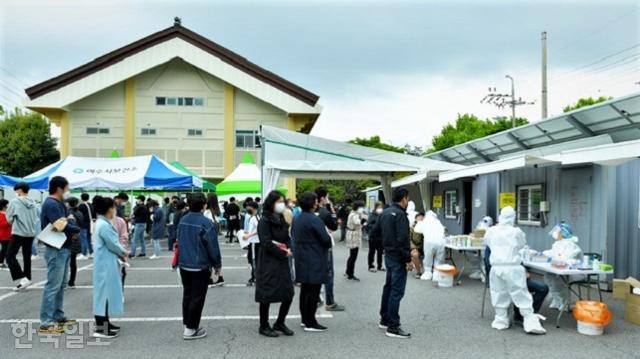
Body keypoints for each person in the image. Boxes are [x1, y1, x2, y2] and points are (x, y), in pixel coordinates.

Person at [485, 206, 546, 334]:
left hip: (496, 267)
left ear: (500, 216)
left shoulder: (491, 231)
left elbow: (489, 244)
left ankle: (501, 320)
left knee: (499, 292)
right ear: (513, 217)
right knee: (520, 293)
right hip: (512, 267)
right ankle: (529, 321)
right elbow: (521, 244)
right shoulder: (516, 232)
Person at [38, 176, 81, 334]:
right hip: (56, 248)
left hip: (63, 247)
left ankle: (57, 316)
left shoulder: (59, 204)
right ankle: (46, 321)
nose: (67, 191)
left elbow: (69, 221)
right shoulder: (52, 204)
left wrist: (69, 222)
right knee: (53, 285)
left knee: (61, 285)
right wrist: (71, 225)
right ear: (59, 188)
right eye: (66, 188)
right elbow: (61, 225)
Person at [178, 193, 221, 340]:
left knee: (188, 295)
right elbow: (212, 246)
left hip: (184, 264)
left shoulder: (183, 220)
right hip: (200, 265)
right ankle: (191, 329)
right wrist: (217, 264)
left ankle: (187, 324)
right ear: (204, 205)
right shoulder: (206, 223)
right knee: (197, 298)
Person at [371, 188, 412, 339]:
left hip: (389, 255)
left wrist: (385, 245)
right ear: (404, 199)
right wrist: (408, 259)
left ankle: (385, 318)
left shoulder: (385, 212)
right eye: (408, 199)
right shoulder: (401, 215)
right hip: (398, 257)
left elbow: (374, 232)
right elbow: (402, 240)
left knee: (388, 287)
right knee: (396, 291)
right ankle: (393, 326)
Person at [255, 190, 294, 338]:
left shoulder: (281, 217)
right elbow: (265, 243)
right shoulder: (264, 220)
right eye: (279, 201)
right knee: (267, 294)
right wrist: (284, 252)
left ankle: (280, 322)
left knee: (288, 293)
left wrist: (289, 247)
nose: (281, 204)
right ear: (271, 203)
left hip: (282, 260)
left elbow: (287, 236)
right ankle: (263, 325)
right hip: (268, 261)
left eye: (282, 201)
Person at [292, 192, 333, 332]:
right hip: (314, 258)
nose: (317, 203)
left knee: (305, 291)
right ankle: (311, 321)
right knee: (313, 291)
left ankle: (305, 319)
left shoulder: (297, 218)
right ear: (312, 203)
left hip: (301, 258)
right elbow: (326, 239)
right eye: (315, 201)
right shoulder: (314, 219)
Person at [92, 196, 128, 338]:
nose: (115, 209)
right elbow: (113, 243)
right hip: (105, 263)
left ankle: (105, 323)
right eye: (113, 207)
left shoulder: (102, 223)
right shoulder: (104, 225)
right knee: (103, 295)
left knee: (104, 294)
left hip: (105, 261)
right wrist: (124, 252)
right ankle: (101, 327)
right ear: (108, 209)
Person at [484, 246, 549, 326]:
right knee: (517, 288)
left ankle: (529, 314)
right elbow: (490, 266)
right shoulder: (491, 246)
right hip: (502, 280)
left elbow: (518, 261)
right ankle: (519, 316)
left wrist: (524, 271)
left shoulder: (511, 242)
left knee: (543, 288)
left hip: (519, 277)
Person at [314, 186, 345, 312]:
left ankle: (316, 298)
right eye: (326, 197)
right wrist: (331, 209)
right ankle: (330, 302)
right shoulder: (324, 212)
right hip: (324, 246)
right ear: (322, 198)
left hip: (312, 246)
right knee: (329, 274)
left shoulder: (308, 210)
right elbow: (334, 226)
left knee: (315, 272)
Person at [6, 182, 39, 291]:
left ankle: (22, 277)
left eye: (16, 190)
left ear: (19, 190)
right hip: (30, 233)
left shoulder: (14, 202)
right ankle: (27, 278)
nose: (15, 192)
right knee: (26, 257)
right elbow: (36, 217)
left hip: (18, 232)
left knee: (10, 256)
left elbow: (9, 218)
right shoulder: (33, 202)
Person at [543, 223, 582, 310]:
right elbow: (553, 253)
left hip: (571, 271)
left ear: (563, 233)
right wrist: (544, 253)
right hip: (558, 270)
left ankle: (566, 302)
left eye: (557, 231)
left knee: (557, 281)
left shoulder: (570, 244)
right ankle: (557, 301)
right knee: (548, 277)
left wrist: (557, 259)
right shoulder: (557, 244)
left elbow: (567, 257)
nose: (555, 233)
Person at [204, 193, 225, 287]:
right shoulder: (216, 210)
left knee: (208, 257)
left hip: (208, 237)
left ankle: (210, 279)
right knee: (215, 256)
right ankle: (220, 277)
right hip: (214, 237)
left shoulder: (207, 212)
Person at [418, 211, 446, 281]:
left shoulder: (425, 221)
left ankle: (428, 273)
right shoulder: (438, 222)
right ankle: (436, 274)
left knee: (428, 258)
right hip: (440, 243)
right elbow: (443, 231)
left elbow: (417, 229)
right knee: (438, 259)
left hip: (429, 242)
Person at [345, 200, 367, 281]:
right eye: (361, 207)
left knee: (352, 255)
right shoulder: (354, 215)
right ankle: (350, 274)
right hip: (353, 235)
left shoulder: (355, 213)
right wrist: (364, 219)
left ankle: (348, 272)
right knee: (353, 256)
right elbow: (358, 222)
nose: (362, 208)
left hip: (354, 234)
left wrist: (363, 216)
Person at [65, 197, 84, 289]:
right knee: (73, 262)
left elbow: (69, 226)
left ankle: (64, 282)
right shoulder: (79, 213)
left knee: (65, 262)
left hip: (70, 238)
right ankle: (72, 282)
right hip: (77, 238)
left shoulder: (69, 213)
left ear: (68, 204)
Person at [111, 208, 129, 301]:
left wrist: (122, 251)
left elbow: (124, 237)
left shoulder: (120, 221)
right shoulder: (101, 222)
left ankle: (119, 293)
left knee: (121, 273)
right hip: (106, 254)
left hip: (118, 252)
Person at [243, 201, 260, 286]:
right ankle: (254, 277)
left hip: (254, 242)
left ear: (253, 208)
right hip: (253, 242)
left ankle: (255, 278)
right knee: (253, 260)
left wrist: (248, 235)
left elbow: (258, 229)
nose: (246, 208)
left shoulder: (255, 218)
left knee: (254, 260)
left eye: (248, 207)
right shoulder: (254, 217)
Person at [367, 202, 385, 272]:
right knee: (372, 251)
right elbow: (369, 225)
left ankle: (379, 266)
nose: (380, 209)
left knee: (380, 251)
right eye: (379, 207)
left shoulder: (382, 215)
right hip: (373, 236)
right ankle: (371, 266)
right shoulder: (372, 215)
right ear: (376, 208)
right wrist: (377, 226)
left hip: (381, 236)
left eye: (381, 207)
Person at [77, 193, 95, 259]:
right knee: (89, 238)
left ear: (81, 198)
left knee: (83, 239)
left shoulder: (81, 206)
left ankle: (83, 253)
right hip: (90, 223)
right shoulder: (91, 205)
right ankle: (91, 252)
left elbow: (79, 215)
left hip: (83, 224)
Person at [409, 212, 425, 278]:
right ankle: (418, 272)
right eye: (419, 217)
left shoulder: (428, 226)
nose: (421, 219)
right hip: (416, 246)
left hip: (425, 247)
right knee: (415, 254)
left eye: (422, 217)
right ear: (415, 219)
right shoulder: (412, 228)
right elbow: (409, 239)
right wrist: (413, 247)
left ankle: (432, 271)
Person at [0, 199, 11, 268]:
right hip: (3, 234)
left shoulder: (6, 212)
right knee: (5, 249)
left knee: (7, 249)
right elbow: (1, 224)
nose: (8, 206)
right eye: (7, 204)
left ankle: (6, 262)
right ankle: (1, 262)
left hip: (8, 234)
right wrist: (9, 222)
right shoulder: (1, 214)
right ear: (3, 205)